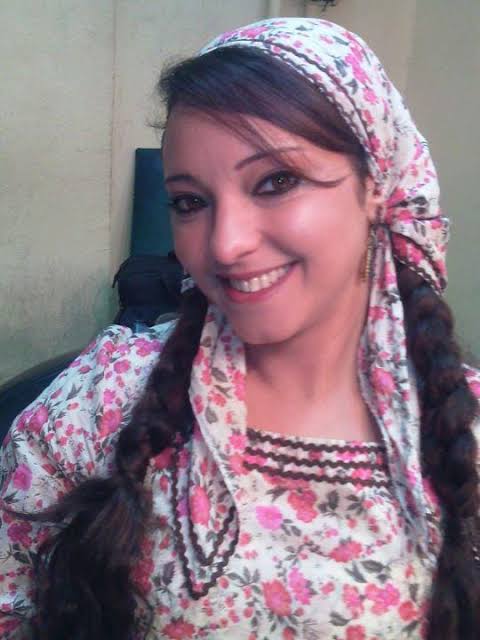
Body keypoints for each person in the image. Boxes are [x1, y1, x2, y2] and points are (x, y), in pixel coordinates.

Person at [0, 17, 479, 640]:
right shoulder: (105, 396)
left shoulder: (461, 429)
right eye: (190, 202)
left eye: (277, 182)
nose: (224, 245)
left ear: (375, 185)